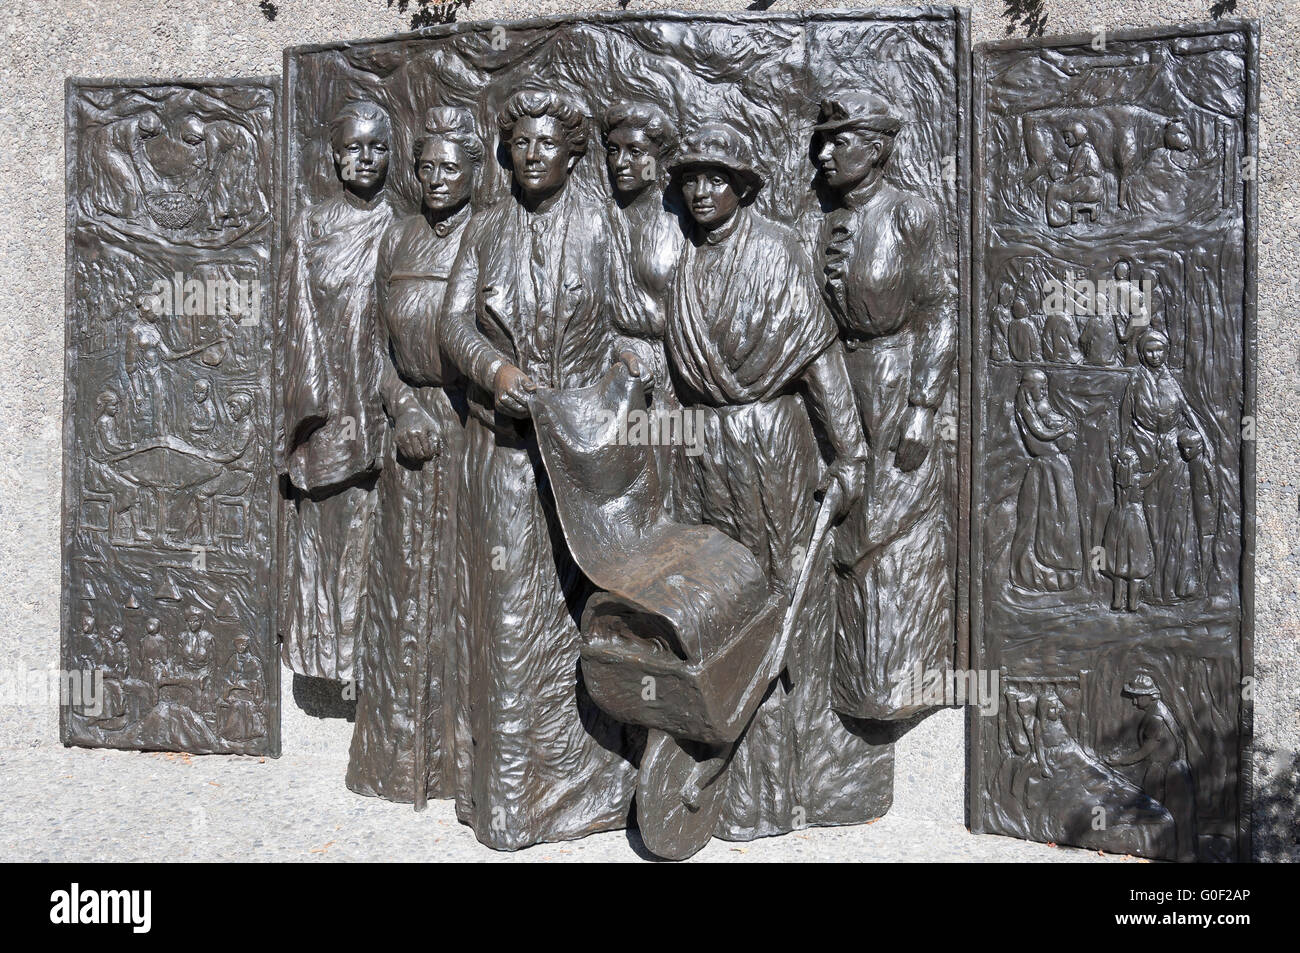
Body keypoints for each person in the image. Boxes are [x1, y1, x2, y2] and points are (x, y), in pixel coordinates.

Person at [663, 119, 883, 839]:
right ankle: (727, 777)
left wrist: (849, 452)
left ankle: (785, 785)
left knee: (781, 604)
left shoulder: (774, 253)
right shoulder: (690, 266)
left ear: (744, 188)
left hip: (772, 447)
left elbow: (819, 359)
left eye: (717, 179)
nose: (701, 191)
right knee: (718, 606)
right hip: (707, 453)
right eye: (692, 178)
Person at [438, 88, 642, 849]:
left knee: (587, 610)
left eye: (546, 144)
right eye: (519, 143)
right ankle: (511, 797)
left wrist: (622, 376)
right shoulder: (486, 230)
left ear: (572, 154)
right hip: (506, 453)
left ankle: (591, 781)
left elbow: (632, 323)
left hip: (584, 456)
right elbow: (452, 323)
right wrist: (494, 372)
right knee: (510, 616)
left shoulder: (601, 226)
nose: (530, 156)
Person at [347, 106, 480, 808]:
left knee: (460, 597)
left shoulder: (486, 238)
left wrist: (453, 408)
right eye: (425, 167)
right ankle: (395, 762)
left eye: (449, 168)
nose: (434, 179)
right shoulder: (397, 241)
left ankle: (458, 765)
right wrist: (402, 405)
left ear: (474, 173)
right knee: (401, 591)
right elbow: (372, 345)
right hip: (411, 435)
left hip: (469, 433)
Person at [812, 92, 957, 720]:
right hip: (837, 383)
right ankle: (849, 681)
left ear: (875, 147)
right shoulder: (821, 223)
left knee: (894, 527)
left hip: (895, 385)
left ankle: (903, 680)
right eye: (822, 141)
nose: (824, 153)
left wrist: (924, 403)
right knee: (845, 526)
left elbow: (940, 311)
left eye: (840, 140)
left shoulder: (911, 216)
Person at [277, 100, 395, 681]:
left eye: (377, 148)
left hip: (379, 406)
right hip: (324, 405)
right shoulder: (310, 225)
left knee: (367, 538)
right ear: (335, 155)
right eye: (354, 147)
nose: (365, 158)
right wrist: (311, 404)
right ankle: (320, 655)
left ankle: (361, 657)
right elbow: (293, 317)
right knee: (321, 534)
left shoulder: (397, 228)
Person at [1119, 329, 1207, 603]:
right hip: (1143, 448)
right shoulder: (1135, 381)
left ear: (1166, 351)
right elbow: (1124, 419)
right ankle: (1150, 585)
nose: (1155, 355)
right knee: (1148, 520)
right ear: (1142, 353)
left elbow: (1188, 413)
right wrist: (1123, 451)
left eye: (1159, 350)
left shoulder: (1172, 381)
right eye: (1149, 351)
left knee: (1176, 519)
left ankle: (1177, 582)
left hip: (1172, 453)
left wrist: (1204, 441)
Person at [1109, 674, 1198, 862]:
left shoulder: (1156, 717)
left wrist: (1120, 761)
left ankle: (1168, 851)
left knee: (1158, 812)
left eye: (1136, 696)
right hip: (1172, 769)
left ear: (1150, 696)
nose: (1133, 702)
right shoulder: (1160, 710)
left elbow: (1145, 751)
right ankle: (1176, 851)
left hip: (1165, 772)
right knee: (1175, 815)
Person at [1010, 368, 1082, 592]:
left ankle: (1065, 569)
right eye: (1038, 387)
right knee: (1048, 517)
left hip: (1057, 466)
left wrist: (1064, 429)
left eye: (1044, 387)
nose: (1042, 391)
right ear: (1028, 387)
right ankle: (1044, 568)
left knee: (1064, 516)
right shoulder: (1026, 409)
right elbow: (1040, 433)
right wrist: (1064, 429)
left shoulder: (1043, 405)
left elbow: (1052, 423)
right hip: (1046, 468)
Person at [1101, 447, 1154, 611]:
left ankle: (1117, 601)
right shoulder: (1138, 479)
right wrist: (1162, 466)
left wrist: (1113, 446)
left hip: (1118, 520)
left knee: (1117, 563)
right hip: (1134, 522)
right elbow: (1153, 476)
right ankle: (1132, 603)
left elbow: (1113, 459)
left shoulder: (1119, 479)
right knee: (1136, 562)